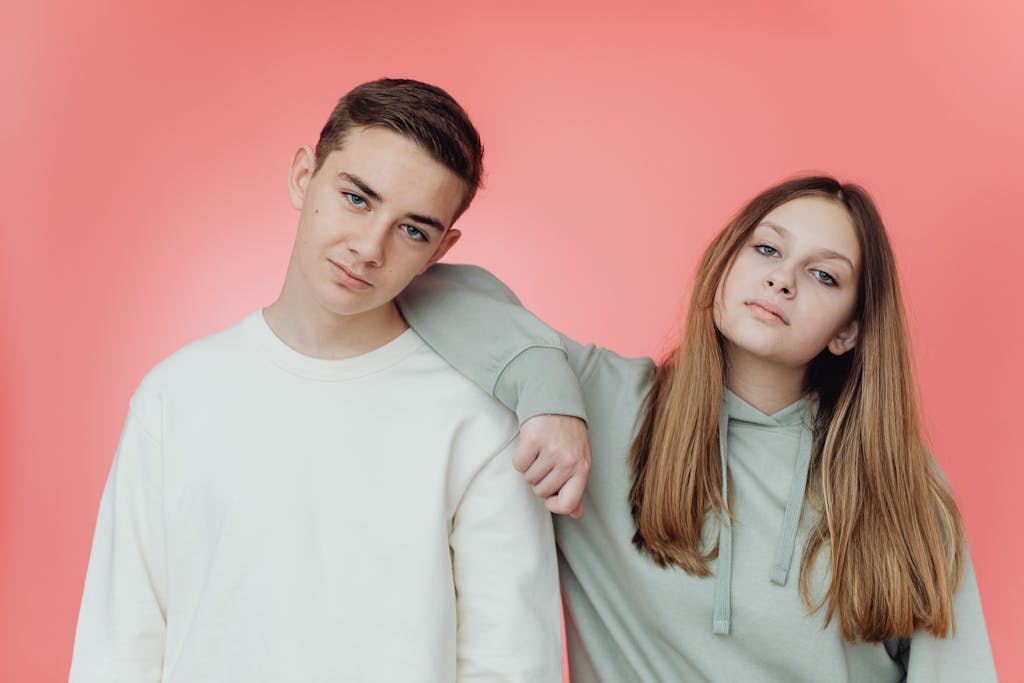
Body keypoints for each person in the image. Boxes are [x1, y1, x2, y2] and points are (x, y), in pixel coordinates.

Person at [398, 176, 997, 682]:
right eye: (767, 250)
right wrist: (547, 396)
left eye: (824, 276)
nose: (782, 280)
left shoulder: (893, 475)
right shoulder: (607, 403)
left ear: (847, 331)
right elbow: (431, 284)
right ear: (722, 267)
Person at [69, 78, 561, 682]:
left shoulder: (478, 420)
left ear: (440, 250)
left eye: (413, 230)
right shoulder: (176, 397)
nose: (369, 247)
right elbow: (119, 643)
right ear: (305, 177)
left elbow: (511, 661)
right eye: (357, 198)